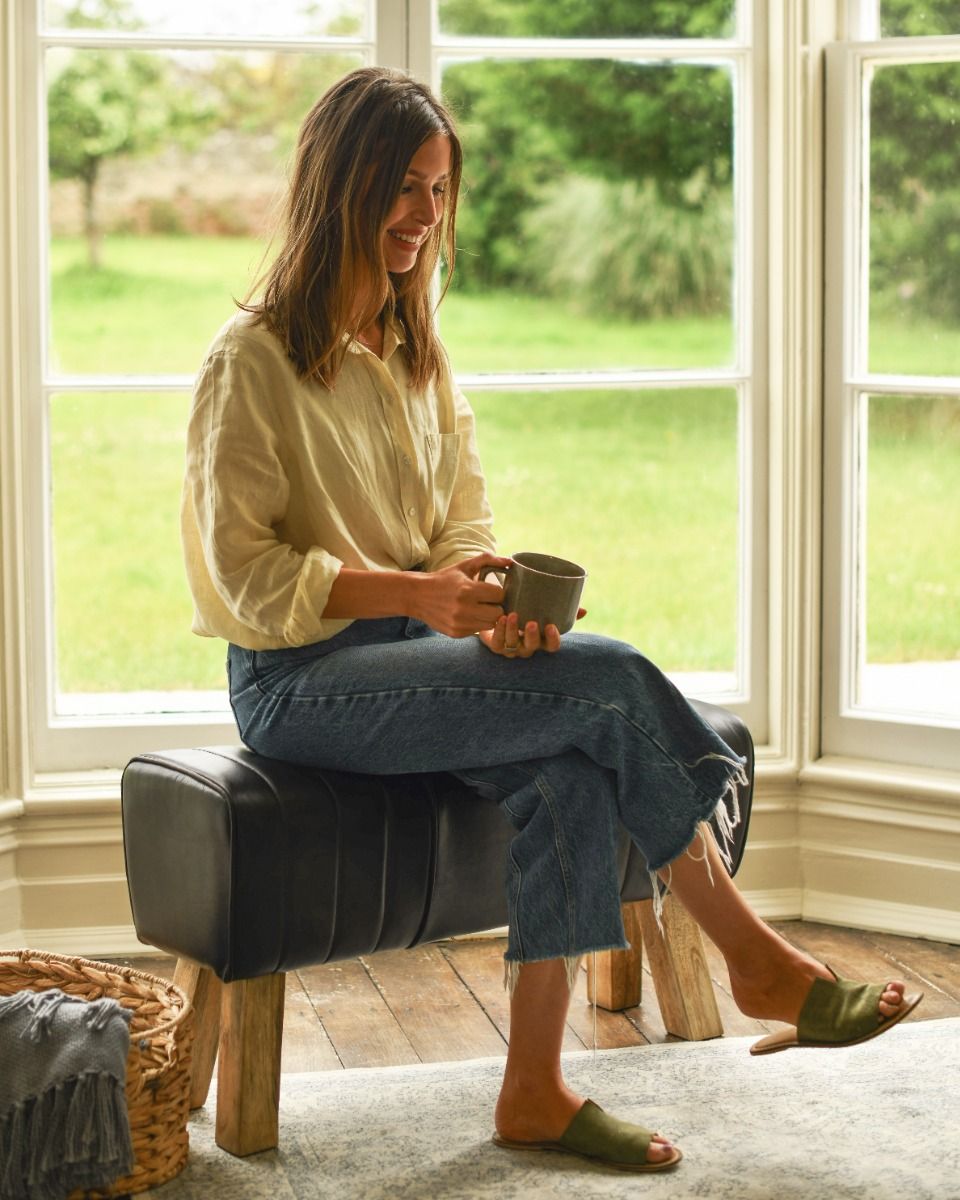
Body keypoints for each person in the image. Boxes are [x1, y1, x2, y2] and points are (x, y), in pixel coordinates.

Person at [181, 66, 922, 1173]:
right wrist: (416, 596)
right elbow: (240, 576)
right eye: (404, 186)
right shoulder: (250, 360)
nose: (425, 214)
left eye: (440, 190)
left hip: (415, 654)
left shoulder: (416, 351)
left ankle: (533, 1088)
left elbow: (457, 524)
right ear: (342, 184)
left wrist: (482, 604)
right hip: (298, 682)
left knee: (574, 775)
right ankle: (759, 959)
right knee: (611, 681)